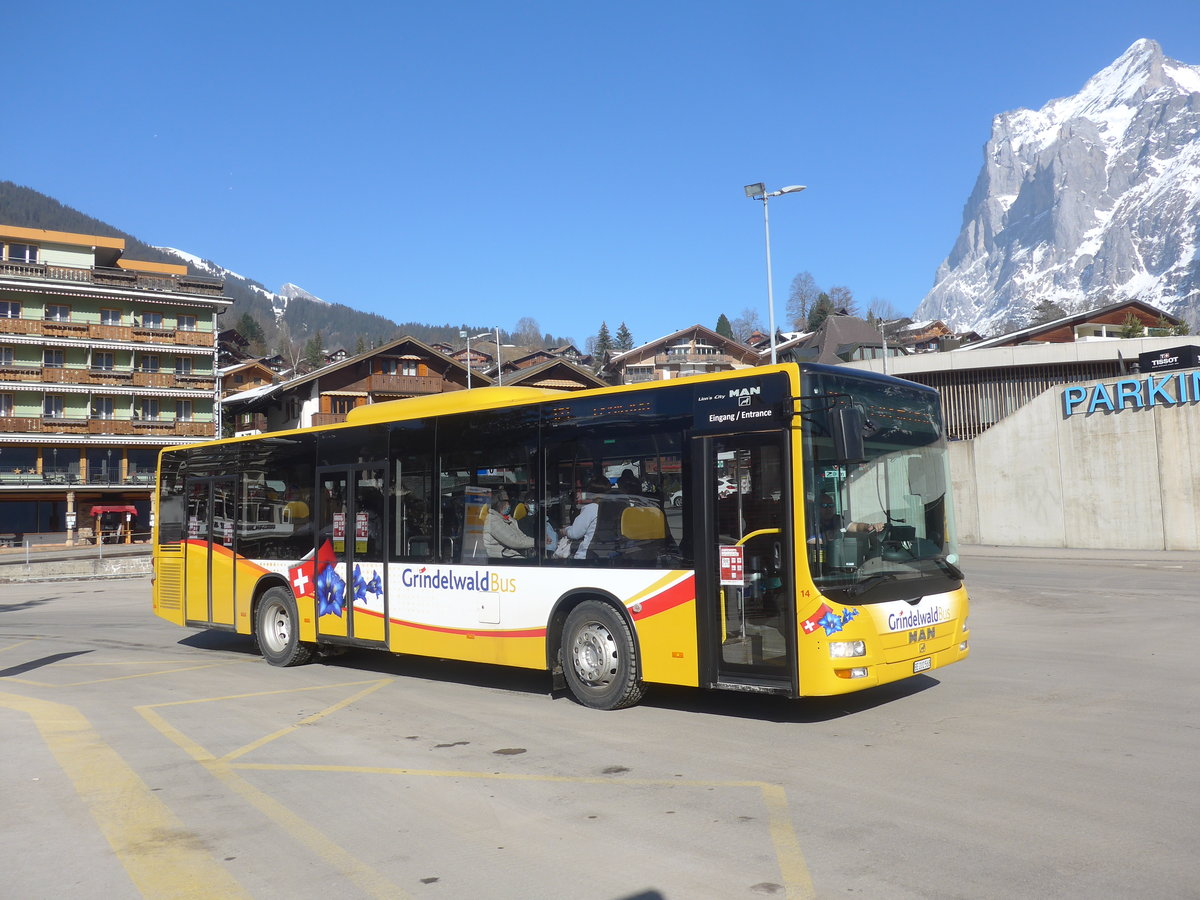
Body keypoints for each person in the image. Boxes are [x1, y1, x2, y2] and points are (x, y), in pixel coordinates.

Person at [560, 476, 610, 559]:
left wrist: (564, 531)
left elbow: (575, 533)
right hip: (606, 554)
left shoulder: (592, 508)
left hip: (587, 555)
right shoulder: (611, 509)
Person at [483, 494, 535, 559]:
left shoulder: (509, 519)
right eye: (507, 502)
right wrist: (537, 542)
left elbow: (522, 537)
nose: (509, 504)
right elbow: (514, 541)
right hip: (501, 557)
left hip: (512, 554)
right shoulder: (492, 520)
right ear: (500, 504)